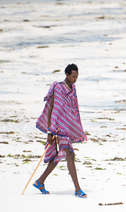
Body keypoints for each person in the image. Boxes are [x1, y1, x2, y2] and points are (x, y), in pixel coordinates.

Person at [33, 63, 88, 198]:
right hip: (57, 128)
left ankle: (40, 181)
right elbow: (53, 108)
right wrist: (50, 132)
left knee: (59, 157)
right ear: (67, 74)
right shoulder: (58, 87)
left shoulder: (73, 88)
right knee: (69, 155)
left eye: (77, 77)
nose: (75, 79)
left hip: (66, 128)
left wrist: (75, 127)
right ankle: (77, 189)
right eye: (73, 76)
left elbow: (73, 110)